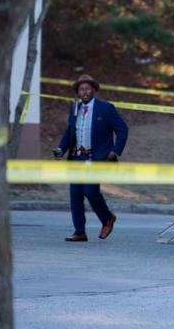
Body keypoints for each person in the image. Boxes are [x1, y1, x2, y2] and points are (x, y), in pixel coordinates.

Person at [53, 74, 129, 242]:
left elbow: (123, 129)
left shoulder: (106, 108)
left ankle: (107, 218)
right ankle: (79, 231)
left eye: (87, 89)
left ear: (94, 90)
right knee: (75, 194)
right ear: (78, 92)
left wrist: (115, 151)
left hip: (96, 158)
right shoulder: (74, 108)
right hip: (76, 158)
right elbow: (69, 132)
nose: (85, 92)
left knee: (90, 191)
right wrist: (60, 149)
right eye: (81, 89)